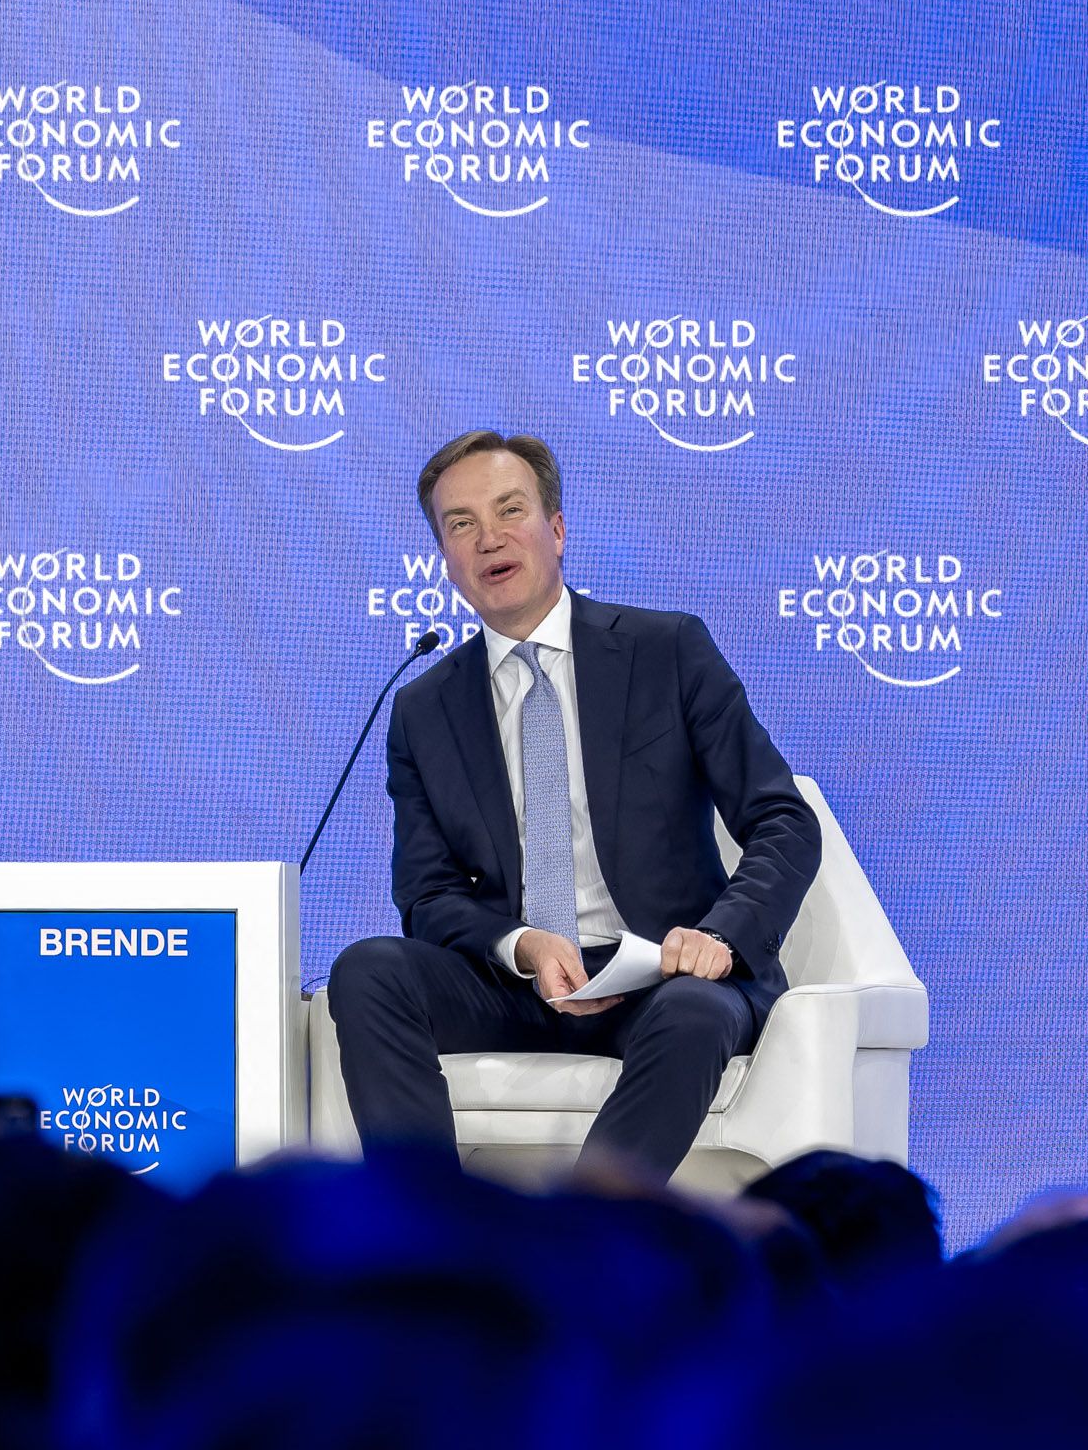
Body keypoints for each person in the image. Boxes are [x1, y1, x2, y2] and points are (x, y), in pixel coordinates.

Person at [329, 429, 817, 1184]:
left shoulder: (667, 650)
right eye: (460, 524)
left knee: (694, 1014)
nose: (488, 536)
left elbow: (784, 820)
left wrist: (720, 935)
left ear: (556, 528)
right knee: (367, 970)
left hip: (665, 974)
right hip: (520, 986)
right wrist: (521, 943)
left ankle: (576, 1250)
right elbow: (426, 897)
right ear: (447, 562)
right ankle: (425, 1238)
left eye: (509, 509)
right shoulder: (424, 708)